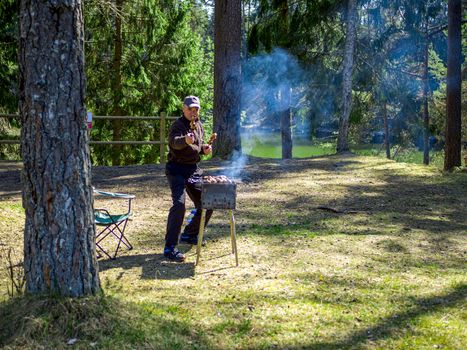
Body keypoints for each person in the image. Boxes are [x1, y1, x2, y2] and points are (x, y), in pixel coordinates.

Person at [164, 95, 214, 262]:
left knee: (208, 202)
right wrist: (184, 140)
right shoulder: (177, 125)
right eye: (191, 109)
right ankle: (170, 247)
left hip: (193, 170)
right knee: (179, 205)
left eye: (196, 109)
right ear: (184, 109)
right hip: (176, 169)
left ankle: (190, 234)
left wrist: (203, 150)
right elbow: (174, 143)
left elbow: (197, 148)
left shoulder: (199, 125)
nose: (194, 112)